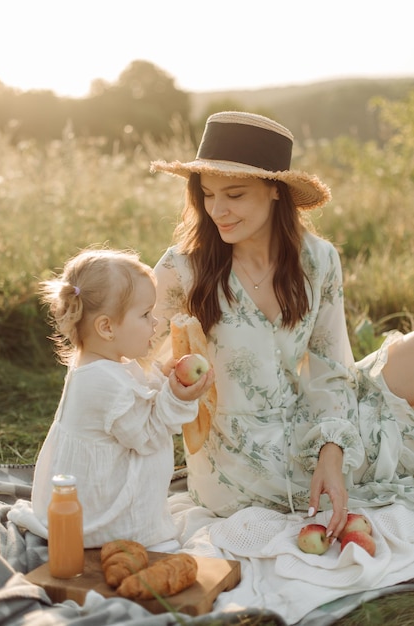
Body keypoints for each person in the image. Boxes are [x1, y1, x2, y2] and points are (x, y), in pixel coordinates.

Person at [149, 110, 414, 544]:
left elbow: (331, 369)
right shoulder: (183, 268)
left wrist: (332, 450)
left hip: (319, 420)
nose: (218, 210)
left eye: (234, 194)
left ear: (275, 191)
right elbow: (126, 357)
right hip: (243, 462)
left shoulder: (318, 258)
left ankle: (353, 449)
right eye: (209, 194)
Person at [31, 247, 214, 549]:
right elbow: (146, 434)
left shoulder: (97, 369)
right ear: (106, 327)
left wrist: (158, 378)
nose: (155, 323)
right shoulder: (103, 382)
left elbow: (132, 401)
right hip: (96, 522)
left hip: (84, 508)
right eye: (144, 315)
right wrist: (177, 398)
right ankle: (136, 531)